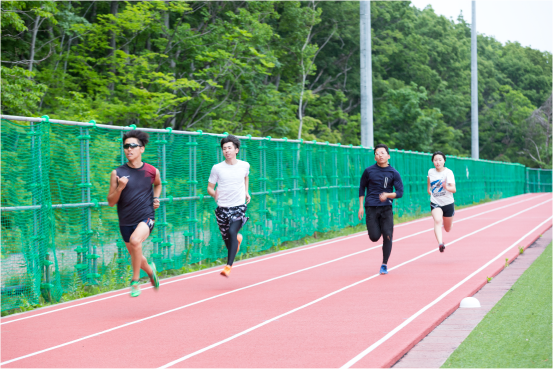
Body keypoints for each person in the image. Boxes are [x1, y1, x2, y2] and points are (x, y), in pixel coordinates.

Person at [107, 130, 161, 297]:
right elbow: (110, 201)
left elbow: (157, 185)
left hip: (146, 217)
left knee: (135, 240)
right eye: (125, 146)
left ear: (142, 149)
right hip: (125, 221)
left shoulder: (152, 171)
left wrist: (156, 198)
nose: (128, 149)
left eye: (132, 146)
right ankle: (151, 271)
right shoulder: (117, 173)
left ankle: (135, 281)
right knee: (137, 254)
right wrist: (120, 188)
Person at [207, 134, 251, 277]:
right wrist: (214, 194)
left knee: (232, 232)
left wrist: (246, 192)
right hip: (222, 208)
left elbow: (246, 177)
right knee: (228, 241)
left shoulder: (244, 165)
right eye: (224, 148)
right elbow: (209, 187)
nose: (227, 151)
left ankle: (228, 266)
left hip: (238, 206)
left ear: (236, 150)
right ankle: (237, 240)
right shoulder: (217, 168)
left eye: (229, 148)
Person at [358, 144, 404, 275]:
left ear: (388, 156)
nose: (380, 155)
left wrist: (388, 195)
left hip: (386, 208)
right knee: (374, 237)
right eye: (377, 153)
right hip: (371, 207)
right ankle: (377, 229)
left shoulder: (394, 173)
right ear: (375, 157)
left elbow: (400, 192)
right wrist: (361, 206)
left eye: (383, 153)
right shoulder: (368, 171)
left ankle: (384, 264)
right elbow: (362, 188)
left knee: (388, 236)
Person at [427, 151, 456, 252]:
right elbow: (429, 179)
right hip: (435, 202)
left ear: (444, 161)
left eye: (440, 160)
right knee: (438, 220)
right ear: (433, 161)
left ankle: (450, 219)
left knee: (448, 229)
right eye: (435, 160)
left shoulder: (448, 172)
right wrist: (428, 189)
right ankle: (440, 243)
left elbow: (454, 189)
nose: (437, 162)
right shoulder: (431, 171)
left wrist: (446, 187)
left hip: (448, 203)